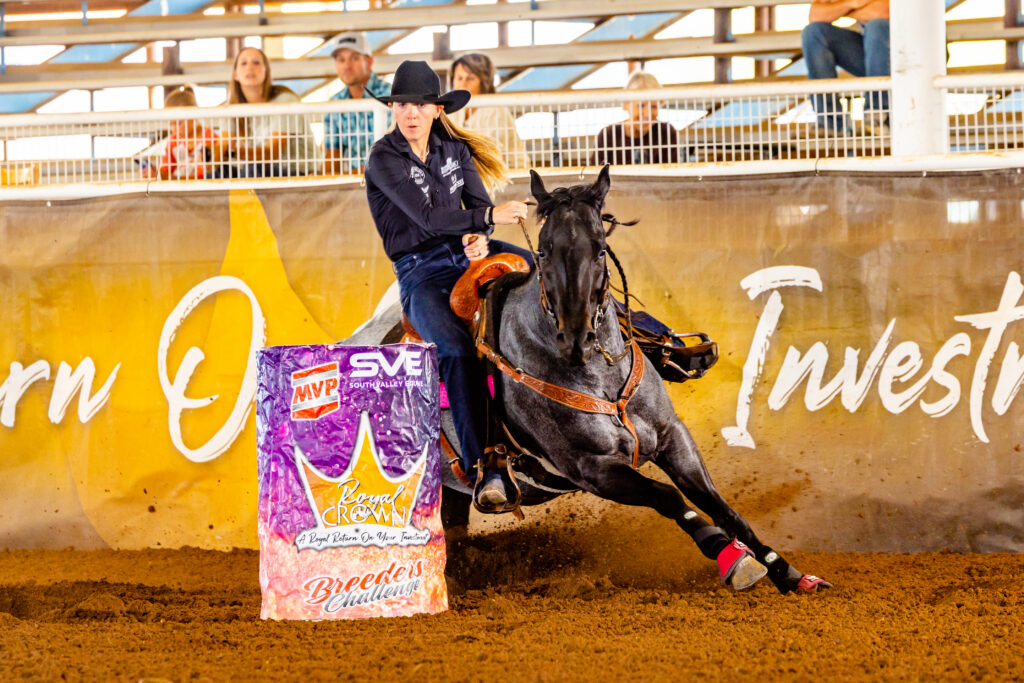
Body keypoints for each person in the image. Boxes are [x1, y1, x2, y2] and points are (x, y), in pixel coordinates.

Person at [364, 60, 533, 507]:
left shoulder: (453, 151)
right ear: (394, 109)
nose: (411, 112)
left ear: (437, 110)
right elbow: (427, 217)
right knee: (456, 350)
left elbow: (475, 203)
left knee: (540, 267)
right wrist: (486, 219)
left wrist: (478, 237)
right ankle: (480, 468)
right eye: (402, 104)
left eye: (420, 103)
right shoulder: (384, 158)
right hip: (420, 271)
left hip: (462, 254)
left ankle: (655, 339)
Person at [222, 46, 318, 178]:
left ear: (266, 71)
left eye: (256, 62)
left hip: (298, 171)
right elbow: (223, 148)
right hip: (262, 170)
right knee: (220, 170)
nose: (250, 67)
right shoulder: (229, 108)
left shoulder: (285, 100)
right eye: (244, 63)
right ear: (235, 75)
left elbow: (272, 154)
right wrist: (211, 154)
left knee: (254, 168)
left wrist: (230, 152)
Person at [801, 0, 891, 134]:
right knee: (813, 33)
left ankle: (877, 116)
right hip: (874, 58)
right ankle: (829, 122)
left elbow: (882, 11)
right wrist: (852, 4)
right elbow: (815, 15)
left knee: (876, 26)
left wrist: (839, 11)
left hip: (907, 59)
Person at [322, 31, 392, 175]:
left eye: (354, 58)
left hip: (391, 181)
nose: (347, 66)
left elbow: (395, 153)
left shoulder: (391, 96)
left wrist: (352, 176)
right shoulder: (334, 104)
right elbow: (332, 155)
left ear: (369, 61)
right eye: (341, 60)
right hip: (354, 183)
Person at [448, 52, 528, 169]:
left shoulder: (496, 110)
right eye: (459, 78)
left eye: (470, 78)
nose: (463, 84)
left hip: (506, 177)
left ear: (484, 82)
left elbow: (493, 156)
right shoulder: (450, 111)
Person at [590, 71, 679, 166]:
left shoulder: (666, 133)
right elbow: (596, 175)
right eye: (641, 105)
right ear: (626, 104)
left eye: (654, 106)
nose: (648, 114)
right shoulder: (608, 136)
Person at [159, 85, 221, 180]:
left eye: (178, 123)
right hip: (181, 188)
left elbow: (204, 175)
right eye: (171, 124)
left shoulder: (210, 138)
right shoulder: (173, 141)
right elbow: (166, 169)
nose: (173, 129)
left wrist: (175, 180)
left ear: (194, 116)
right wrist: (156, 173)